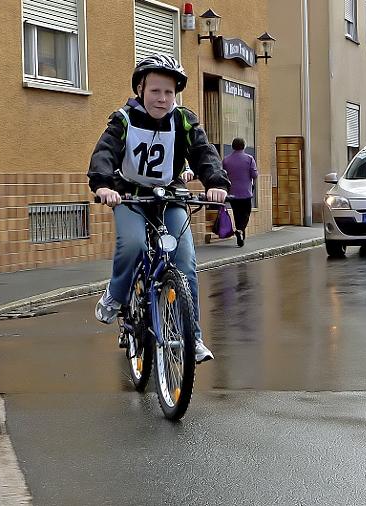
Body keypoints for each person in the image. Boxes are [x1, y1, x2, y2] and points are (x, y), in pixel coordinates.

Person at [88, 54, 230, 364]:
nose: (162, 99)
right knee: (134, 244)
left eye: (169, 92)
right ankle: (116, 294)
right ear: (141, 89)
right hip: (129, 196)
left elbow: (204, 153)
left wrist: (216, 182)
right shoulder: (124, 119)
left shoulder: (184, 120)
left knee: (185, 260)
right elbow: (106, 151)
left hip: (169, 196)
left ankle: (192, 337)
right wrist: (103, 185)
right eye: (155, 91)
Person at [222, 137, 258, 247]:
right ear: (244, 146)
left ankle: (240, 237)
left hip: (232, 192)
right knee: (246, 214)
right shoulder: (249, 159)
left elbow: (222, 174)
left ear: (232, 146)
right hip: (246, 192)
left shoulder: (226, 160)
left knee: (237, 214)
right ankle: (240, 230)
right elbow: (254, 175)